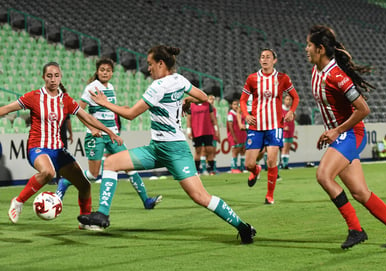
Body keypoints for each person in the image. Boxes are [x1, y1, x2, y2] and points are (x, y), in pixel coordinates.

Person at [78, 45, 256, 244]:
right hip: (156, 148)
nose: (148, 69)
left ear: (161, 64)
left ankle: (244, 227)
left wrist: (104, 102)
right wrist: (186, 101)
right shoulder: (179, 79)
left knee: (200, 196)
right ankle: (102, 215)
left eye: (150, 64)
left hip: (175, 151)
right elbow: (204, 98)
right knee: (111, 163)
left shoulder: (158, 86)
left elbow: (130, 114)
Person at [305, 25, 386, 248]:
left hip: (351, 133)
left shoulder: (337, 77)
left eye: (309, 45)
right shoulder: (317, 70)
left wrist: (336, 131)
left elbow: (363, 109)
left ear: (320, 49)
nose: (306, 49)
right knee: (360, 193)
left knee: (324, 176)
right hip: (340, 136)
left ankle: (355, 229)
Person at [1, 62, 123, 226]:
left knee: (85, 185)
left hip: (58, 150)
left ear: (60, 77)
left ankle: (85, 221)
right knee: (48, 173)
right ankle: (19, 201)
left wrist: (109, 132)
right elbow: (7, 109)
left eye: (56, 76)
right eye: (49, 76)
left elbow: (87, 117)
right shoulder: (34, 96)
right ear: (43, 77)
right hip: (37, 147)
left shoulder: (65, 100)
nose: (53, 79)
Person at [55, 57, 161, 209]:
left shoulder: (110, 87)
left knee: (130, 167)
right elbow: (78, 110)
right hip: (96, 136)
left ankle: (146, 201)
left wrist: (120, 108)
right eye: (102, 70)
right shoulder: (92, 87)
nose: (105, 73)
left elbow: (107, 108)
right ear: (97, 72)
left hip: (113, 135)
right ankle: (65, 181)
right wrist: (92, 128)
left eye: (108, 70)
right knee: (92, 175)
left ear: (112, 73)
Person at [240, 48, 299, 205]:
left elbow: (295, 97)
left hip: (275, 126)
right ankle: (255, 171)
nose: (264, 59)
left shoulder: (282, 78)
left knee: (271, 161)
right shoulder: (252, 78)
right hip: (256, 126)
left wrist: (291, 111)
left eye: (268, 57)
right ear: (260, 60)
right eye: (262, 57)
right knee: (249, 164)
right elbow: (242, 100)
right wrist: (246, 115)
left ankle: (269, 195)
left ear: (274, 60)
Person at [187, 93, 220, 175]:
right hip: (196, 132)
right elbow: (189, 120)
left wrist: (216, 129)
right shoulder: (191, 106)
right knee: (198, 151)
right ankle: (196, 171)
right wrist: (188, 131)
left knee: (210, 150)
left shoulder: (208, 105)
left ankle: (212, 170)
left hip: (208, 131)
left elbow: (213, 119)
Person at [227, 99, 246, 173]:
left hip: (242, 135)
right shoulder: (230, 115)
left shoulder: (241, 114)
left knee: (242, 150)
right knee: (235, 151)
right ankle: (233, 167)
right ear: (231, 106)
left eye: (237, 104)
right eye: (234, 104)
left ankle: (242, 167)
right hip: (234, 135)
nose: (236, 106)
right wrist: (233, 136)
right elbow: (230, 127)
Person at [280, 94, 296, 169]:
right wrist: (283, 127)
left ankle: (286, 164)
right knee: (284, 148)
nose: (288, 101)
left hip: (290, 131)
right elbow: (278, 121)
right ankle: (283, 164)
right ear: (284, 100)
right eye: (287, 99)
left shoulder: (291, 110)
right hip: (284, 132)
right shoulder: (281, 109)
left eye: (290, 100)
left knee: (288, 148)